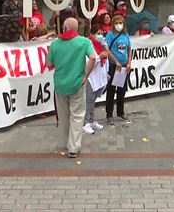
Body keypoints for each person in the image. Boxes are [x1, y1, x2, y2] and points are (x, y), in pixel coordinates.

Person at [46, 18, 96, 158]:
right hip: (77, 83)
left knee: (64, 115)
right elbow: (93, 57)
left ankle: (64, 142)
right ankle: (73, 147)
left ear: (64, 28)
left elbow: (48, 64)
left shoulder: (55, 44)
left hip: (60, 84)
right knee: (77, 115)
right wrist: (86, 75)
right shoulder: (84, 42)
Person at [104, 15, 132, 125]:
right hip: (113, 66)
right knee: (111, 90)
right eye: (117, 22)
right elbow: (106, 49)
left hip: (124, 67)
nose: (119, 25)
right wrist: (116, 61)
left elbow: (130, 49)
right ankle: (109, 115)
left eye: (121, 22)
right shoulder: (110, 35)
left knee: (122, 90)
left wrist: (129, 62)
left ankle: (120, 112)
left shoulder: (126, 35)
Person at [83, 23, 109, 134]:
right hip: (91, 78)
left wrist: (106, 73)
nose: (100, 36)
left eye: (102, 34)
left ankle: (92, 120)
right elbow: (88, 61)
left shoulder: (102, 45)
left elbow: (106, 60)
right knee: (89, 101)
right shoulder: (88, 44)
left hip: (100, 77)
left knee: (93, 101)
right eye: (98, 34)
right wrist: (99, 56)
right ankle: (85, 123)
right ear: (92, 34)